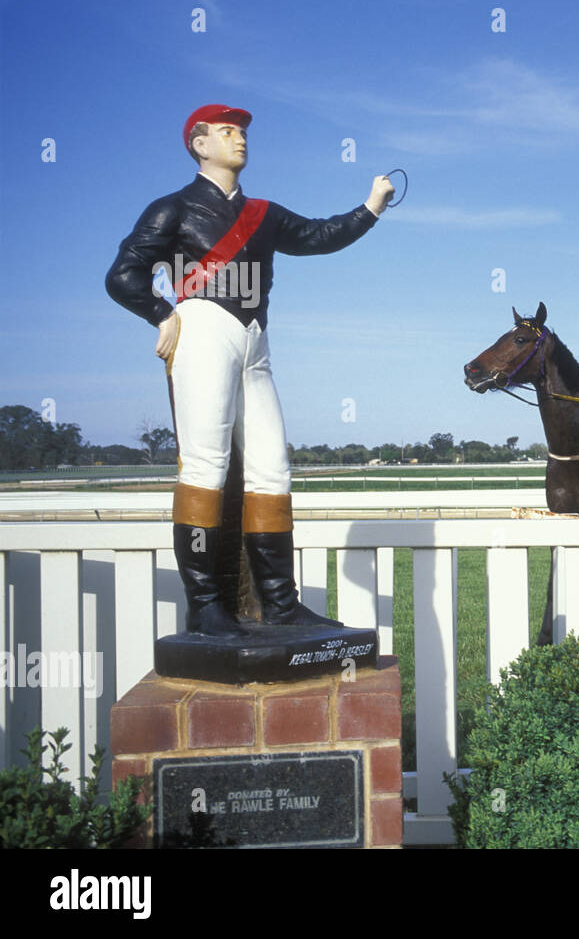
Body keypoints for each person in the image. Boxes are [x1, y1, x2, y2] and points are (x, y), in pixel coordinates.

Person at [106, 104, 394, 635]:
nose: (239, 139)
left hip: (255, 338)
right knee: (204, 469)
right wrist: (161, 313)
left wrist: (371, 207)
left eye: (241, 131)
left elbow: (317, 236)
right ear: (198, 144)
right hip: (203, 327)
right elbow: (123, 274)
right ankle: (206, 605)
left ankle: (281, 605)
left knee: (271, 471)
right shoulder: (170, 208)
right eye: (226, 131)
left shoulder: (263, 212)